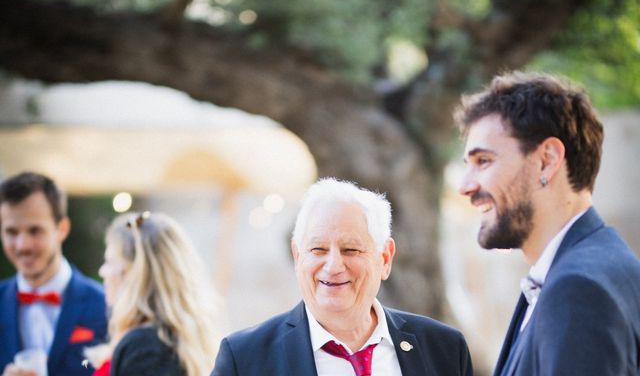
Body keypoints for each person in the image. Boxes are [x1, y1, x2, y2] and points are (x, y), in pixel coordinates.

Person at [455, 71, 640, 376]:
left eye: (483, 161)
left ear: (547, 160)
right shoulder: (604, 267)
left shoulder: (579, 289)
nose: (465, 186)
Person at [211, 178, 473, 376]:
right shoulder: (245, 359)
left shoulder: (444, 349)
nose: (334, 266)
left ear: (385, 258)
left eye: (351, 250)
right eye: (318, 250)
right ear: (298, 255)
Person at [85, 211, 223, 376]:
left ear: (134, 274)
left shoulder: (145, 349)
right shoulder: (166, 340)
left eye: (109, 261)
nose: (102, 272)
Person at [0, 171, 107, 376]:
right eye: (11, 232)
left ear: (62, 229)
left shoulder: (104, 306)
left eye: (35, 231)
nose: (23, 246)